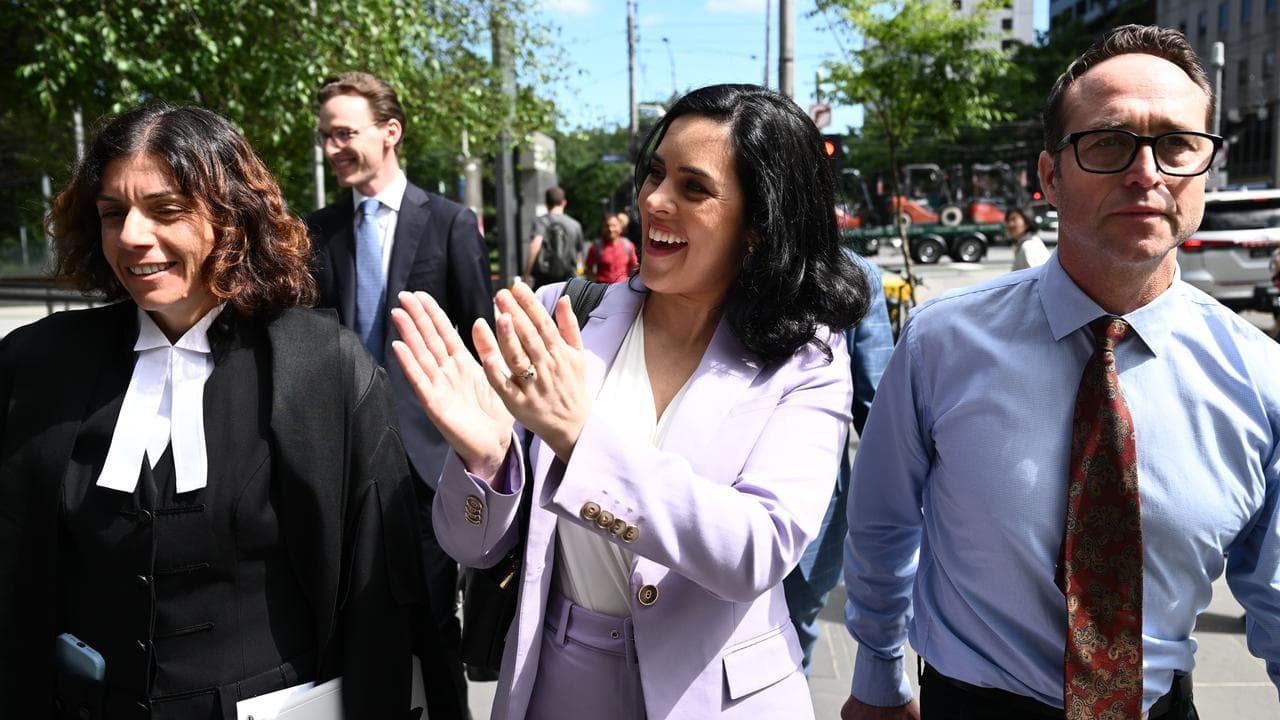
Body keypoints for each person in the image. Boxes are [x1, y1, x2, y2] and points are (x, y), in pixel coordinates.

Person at [841, 25, 1280, 720]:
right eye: (1108, 142)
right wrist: (876, 676)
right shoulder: (941, 344)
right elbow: (883, 524)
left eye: (1176, 144)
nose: (1147, 172)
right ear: (1049, 176)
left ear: (1206, 168)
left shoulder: (1260, 375)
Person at [392, 83, 871, 719]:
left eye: (693, 187)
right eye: (653, 173)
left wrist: (581, 439)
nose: (654, 200)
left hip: (721, 696)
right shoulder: (561, 313)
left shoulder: (808, 359)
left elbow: (758, 548)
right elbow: (470, 544)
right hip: (556, 680)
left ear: (759, 224)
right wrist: (484, 459)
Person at [0, 104, 429, 719]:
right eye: (112, 213)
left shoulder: (320, 368)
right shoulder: (36, 365)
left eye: (166, 210)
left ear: (231, 220)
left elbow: (381, 592)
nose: (131, 237)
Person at [306, 70, 494, 719]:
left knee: (435, 623)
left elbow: (480, 341)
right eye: (326, 136)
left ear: (390, 133)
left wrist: (480, 456)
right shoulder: (317, 231)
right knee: (351, 620)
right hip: (339, 461)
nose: (332, 148)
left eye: (344, 134)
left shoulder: (447, 223)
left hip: (426, 468)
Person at [782, 250, 893, 674]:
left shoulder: (853, 274)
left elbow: (879, 412)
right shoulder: (710, 254)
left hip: (813, 518)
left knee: (792, 644)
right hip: (718, 502)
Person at [524, 186, 586, 288]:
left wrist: (526, 275)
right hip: (568, 279)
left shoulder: (540, 222)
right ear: (564, 202)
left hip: (544, 279)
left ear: (546, 204)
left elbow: (535, 245)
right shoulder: (575, 225)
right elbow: (579, 255)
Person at [584, 213, 640, 283]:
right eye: (607, 226)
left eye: (614, 226)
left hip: (623, 288)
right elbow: (588, 269)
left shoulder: (628, 245)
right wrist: (594, 285)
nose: (610, 229)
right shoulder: (596, 246)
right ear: (602, 228)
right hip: (603, 289)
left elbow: (634, 266)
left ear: (620, 228)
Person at [1007, 205, 1051, 271]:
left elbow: (1035, 278)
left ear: (1027, 222)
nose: (1010, 224)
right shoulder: (1028, 243)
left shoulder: (1029, 246)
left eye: (1014, 219)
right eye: (1008, 221)